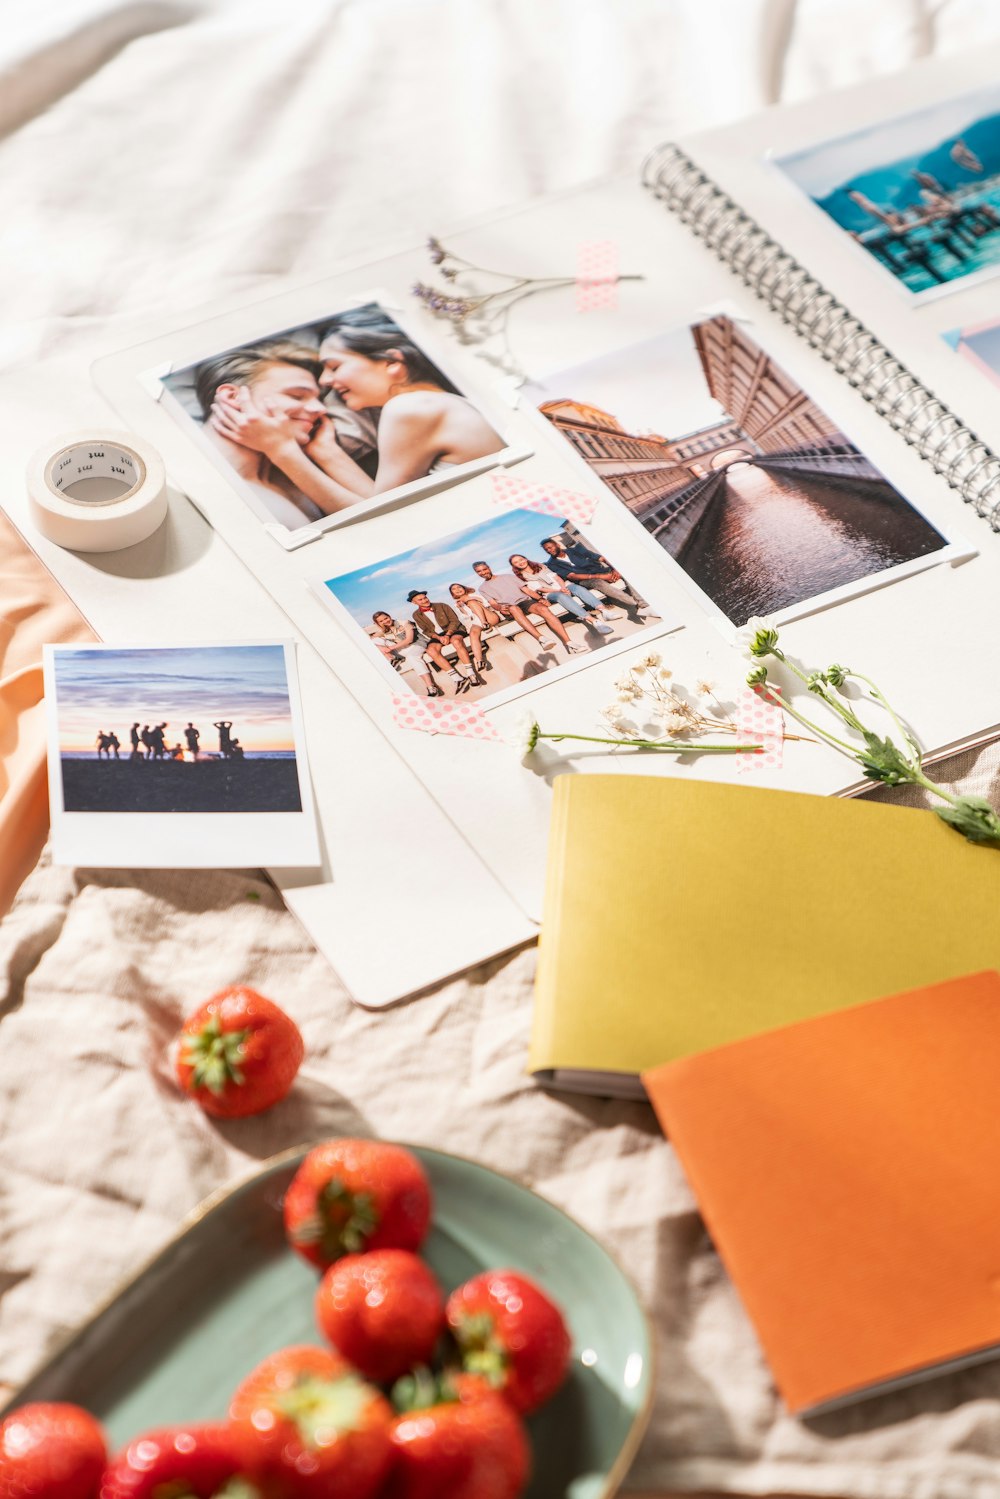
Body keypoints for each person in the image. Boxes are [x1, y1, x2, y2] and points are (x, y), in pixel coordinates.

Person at [209, 311, 504, 514]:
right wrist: (326, 451)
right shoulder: (433, 403)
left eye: (335, 366)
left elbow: (386, 520)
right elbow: (383, 503)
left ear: (392, 362)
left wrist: (281, 449)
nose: (326, 382)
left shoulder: (412, 408)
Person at [197, 343, 329, 530]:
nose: (321, 409)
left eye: (319, 399)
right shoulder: (195, 481)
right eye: (297, 396)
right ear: (233, 397)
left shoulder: (290, 483)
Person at [471, 562, 585, 655]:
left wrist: (540, 599)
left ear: (489, 568)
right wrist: (500, 607)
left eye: (484, 569)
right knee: (514, 609)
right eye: (479, 571)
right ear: (477, 573)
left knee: (543, 609)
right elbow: (493, 603)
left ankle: (569, 643)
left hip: (524, 601)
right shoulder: (482, 588)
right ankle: (541, 639)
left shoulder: (508, 577)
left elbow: (527, 591)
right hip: (509, 608)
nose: (483, 573)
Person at [540, 537, 653, 619]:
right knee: (599, 582)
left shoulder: (576, 550)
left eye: (550, 547)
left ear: (557, 545)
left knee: (626, 572)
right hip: (585, 581)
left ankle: (643, 605)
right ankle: (636, 604)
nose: (549, 550)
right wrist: (601, 576)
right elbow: (572, 576)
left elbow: (601, 558)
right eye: (546, 550)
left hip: (601, 570)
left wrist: (615, 569)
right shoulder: (552, 564)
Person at [509, 553, 613, 636]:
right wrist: (559, 591)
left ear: (525, 559)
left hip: (562, 586)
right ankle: (593, 621)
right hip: (550, 593)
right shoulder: (522, 577)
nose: (520, 562)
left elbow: (557, 578)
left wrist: (563, 587)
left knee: (576, 588)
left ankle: (604, 611)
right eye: (516, 562)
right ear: (514, 566)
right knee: (561, 596)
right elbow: (541, 588)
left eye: (521, 559)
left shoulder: (540, 566)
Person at [406, 591, 485, 694]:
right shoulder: (416, 614)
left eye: (425, 597)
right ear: (414, 602)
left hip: (454, 630)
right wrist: (438, 637)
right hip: (438, 635)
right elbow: (426, 630)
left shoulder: (442, 605)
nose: (425, 600)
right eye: (420, 599)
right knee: (431, 650)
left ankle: (471, 673)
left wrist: (448, 635)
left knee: (456, 641)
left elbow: (454, 621)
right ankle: (458, 679)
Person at [371, 611, 442, 698]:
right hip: (402, 650)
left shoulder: (404, 623)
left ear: (389, 616)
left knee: (412, 657)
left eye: (386, 618)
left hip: (416, 645)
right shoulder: (383, 631)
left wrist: (390, 648)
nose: (385, 621)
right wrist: (385, 649)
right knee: (374, 641)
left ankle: (431, 687)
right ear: (378, 623)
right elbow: (371, 640)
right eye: (381, 621)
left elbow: (409, 640)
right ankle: (392, 658)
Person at [448, 583, 499, 672]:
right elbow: (467, 618)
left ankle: (485, 624)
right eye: (454, 589)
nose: (457, 589)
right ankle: (479, 661)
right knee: (473, 633)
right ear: (452, 593)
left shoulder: (473, 595)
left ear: (464, 588)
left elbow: (487, 604)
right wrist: (462, 608)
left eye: (459, 587)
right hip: (476, 621)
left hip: (489, 617)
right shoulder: (457, 605)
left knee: (471, 602)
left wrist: (470, 600)